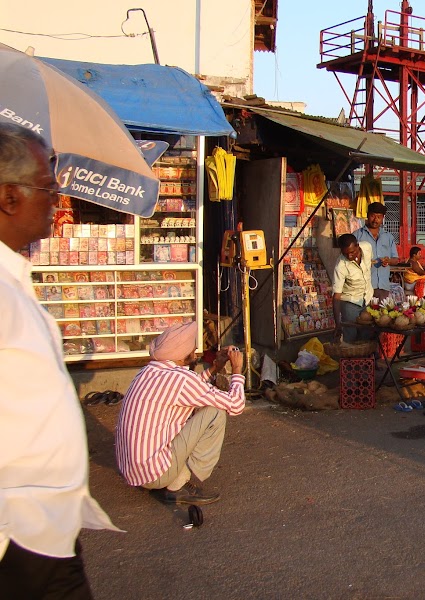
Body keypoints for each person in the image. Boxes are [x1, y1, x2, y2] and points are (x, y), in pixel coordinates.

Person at [0, 123, 119, 597]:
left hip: (45, 528)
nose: (58, 201)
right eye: (48, 190)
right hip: (19, 533)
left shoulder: (13, 277)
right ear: (9, 197)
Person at [115, 322, 244, 507]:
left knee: (200, 407)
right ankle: (177, 483)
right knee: (215, 412)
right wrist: (237, 369)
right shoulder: (181, 379)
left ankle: (169, 476)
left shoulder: (149, 371)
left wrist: (216, 367)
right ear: (183, 355)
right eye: (192, 351)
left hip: (132, 470)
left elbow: (190, 388)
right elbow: (236, 405)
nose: (195, 355)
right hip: (153, 475)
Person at [332, 233, 374, 342]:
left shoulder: (367, 247)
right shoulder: (340, 265)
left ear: (357, 246)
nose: (349, 256)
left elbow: (370, 263)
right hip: (350, 302)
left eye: (352, 252)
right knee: (351, 335)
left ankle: (367, 358)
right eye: (345, 254)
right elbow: (336, 296)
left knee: (367, 334)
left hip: (367, 298)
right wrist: (338, 324)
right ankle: (351, 358)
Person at [354, 202, 398, 299]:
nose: (375, 220)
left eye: (379, 217)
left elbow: (396, 260)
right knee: (364, 314)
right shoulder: (357, 235)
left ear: (383, 218)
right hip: (363, 287)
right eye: (373, 216)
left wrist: (388, 260)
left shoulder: (388, 237)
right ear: (368, 216)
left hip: (383, 287)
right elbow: (350, 259)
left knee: (382, 313)